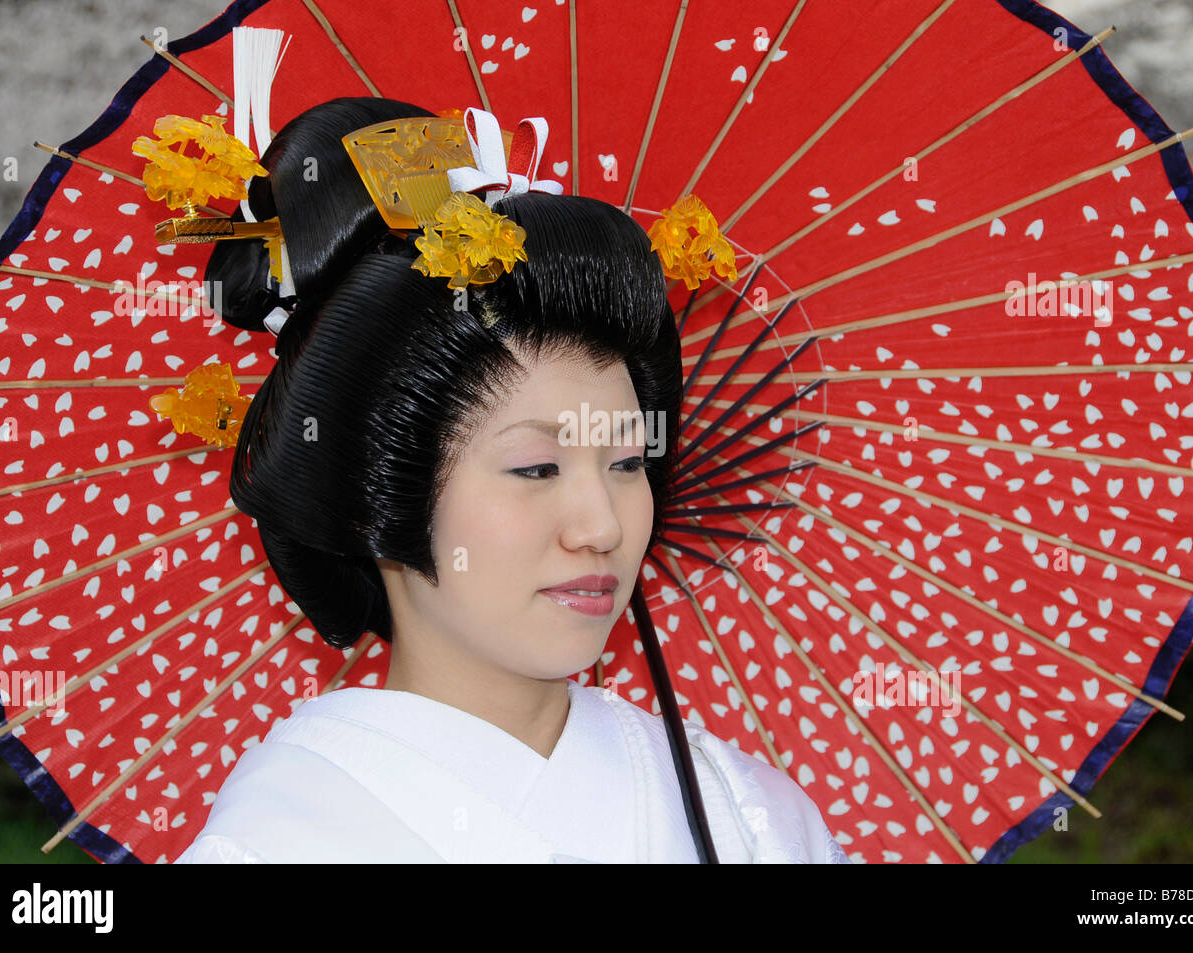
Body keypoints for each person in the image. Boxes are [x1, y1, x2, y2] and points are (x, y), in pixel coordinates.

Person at [173, 96, 850, 864]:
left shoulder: (748, 819)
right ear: (381, 487)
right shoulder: (281, 840)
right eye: (536, 466)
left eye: (627, 462)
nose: (602, 525)